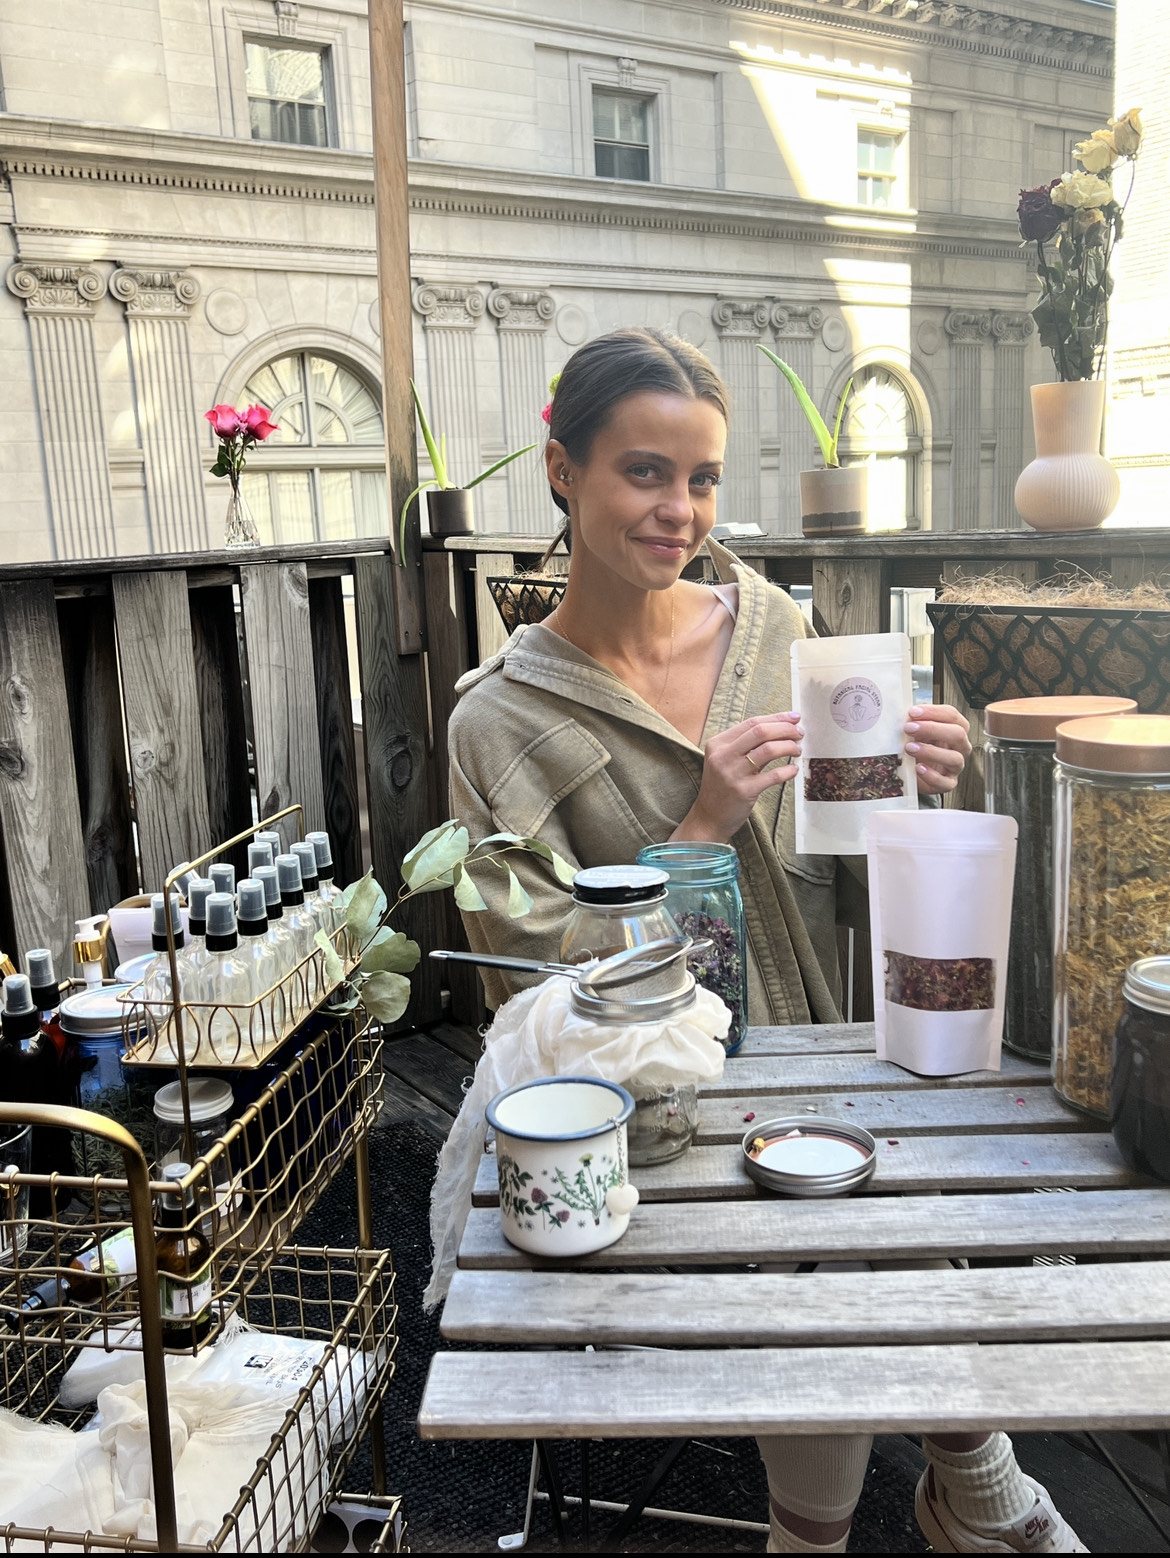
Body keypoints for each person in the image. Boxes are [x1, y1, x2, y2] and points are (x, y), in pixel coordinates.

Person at [447, 327, 1084, 1555]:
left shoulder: (776, 630)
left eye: (701, 478)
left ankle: (921, 1505)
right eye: (643, 472)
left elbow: (846, 873)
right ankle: (978, 1490)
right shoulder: (500, 719)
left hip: (819, 1051)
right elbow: (523, 968)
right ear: (563, 469)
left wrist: (918, 791)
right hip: (649, 1111)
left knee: (869, 1204)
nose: (678, 509)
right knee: (834, 1249)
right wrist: (695, 828)